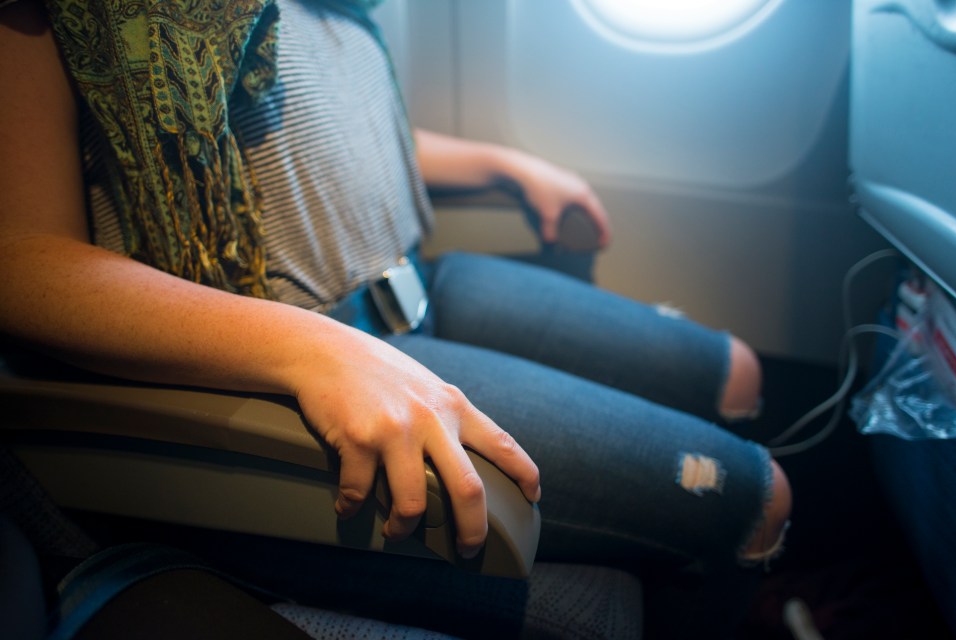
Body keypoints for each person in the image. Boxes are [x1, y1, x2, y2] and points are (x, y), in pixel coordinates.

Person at [0, 0, 790, 629]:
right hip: (291, 354)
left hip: (412, 289)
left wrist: (500, 163)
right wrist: (316, 350)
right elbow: (22, 258)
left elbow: (315, 121)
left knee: (737, 373)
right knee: (754, 502)